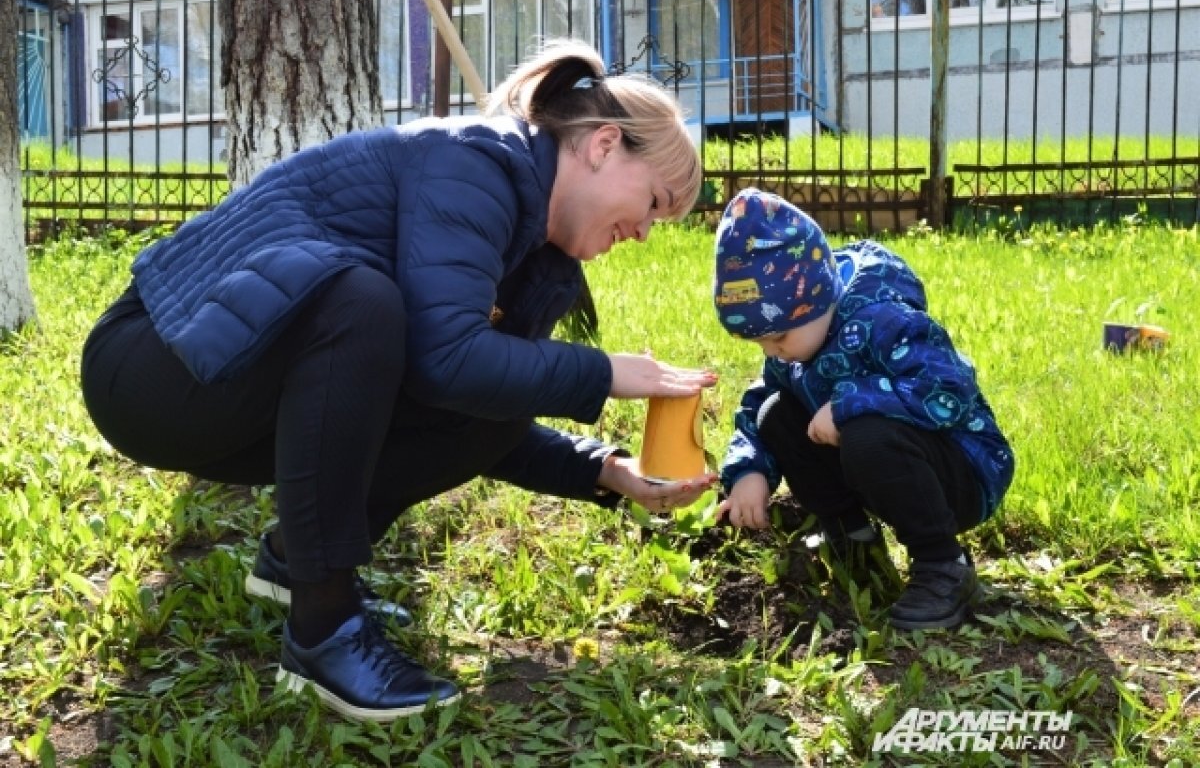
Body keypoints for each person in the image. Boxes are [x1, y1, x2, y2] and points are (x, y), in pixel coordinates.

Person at [80, 39, 717, 722]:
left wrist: (604, 470)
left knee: (492, 382)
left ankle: (294, 561)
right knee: (362, 302)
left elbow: (481, 406)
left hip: (233, 383)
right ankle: (323, 630)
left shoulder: (540, 254)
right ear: (602, 145)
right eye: (654, 202)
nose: (647, 233)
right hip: (151, 367)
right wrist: (607, 372)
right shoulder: (478, 164)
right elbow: (448, 355)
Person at [711, 189, 1014, 630]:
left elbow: (949, 389)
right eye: (761, 344)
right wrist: (748, 472)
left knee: (868, 431)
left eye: (778, 339)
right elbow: (759, 399)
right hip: (879, 466)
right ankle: (855, 542)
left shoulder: (883, 320)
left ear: (816, 300)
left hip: (961, 472)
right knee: (776, 412)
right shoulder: (795, 340)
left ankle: (943, 565)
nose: (773, 352)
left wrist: (848, 404)